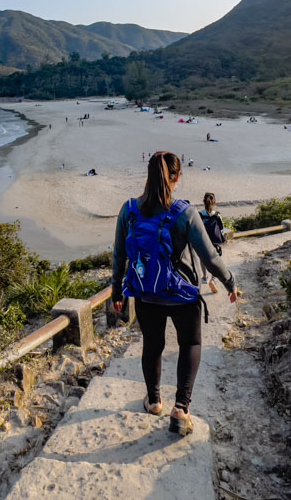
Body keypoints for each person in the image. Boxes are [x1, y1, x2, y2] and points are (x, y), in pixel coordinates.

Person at [112, 152, 238, 437]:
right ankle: (181, 409)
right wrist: (231, 283)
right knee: (190, 343)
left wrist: (116, 292)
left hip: (146, 295)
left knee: (152, 346)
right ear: (177, 178)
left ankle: (154, 401)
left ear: (148, 174)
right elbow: (210, 259)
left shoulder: (129, 209)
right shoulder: (185, 213)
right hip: (181, 294)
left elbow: (119, 255)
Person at [198, 193, 226, 294]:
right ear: (214, 202)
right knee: (215, 261)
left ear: (203, 202)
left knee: (203, 258)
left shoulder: (200, 214)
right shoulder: (217, 215)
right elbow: (222, 229)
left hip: (203, 241)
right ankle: (213, 279)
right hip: (215, 243)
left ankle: (205, 277)